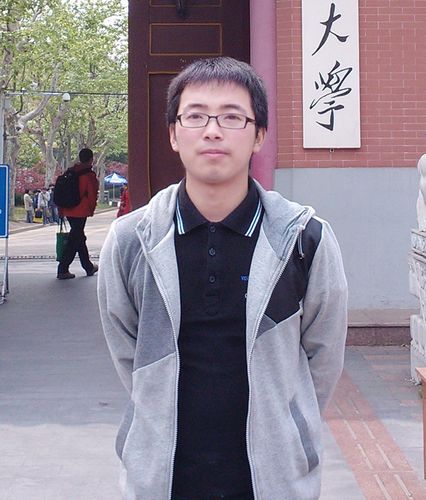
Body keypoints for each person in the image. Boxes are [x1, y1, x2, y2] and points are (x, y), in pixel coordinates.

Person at [97, 57, 348, 500]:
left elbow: (323, 357)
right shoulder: (131, 241)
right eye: (195, 116)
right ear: (174, 134)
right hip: (162, 479)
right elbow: (127, 352)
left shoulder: (304, 239)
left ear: (259, 135)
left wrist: (290, 426)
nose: (212, 131)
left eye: (232, 117)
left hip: (273, 481)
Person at [56, 148, 99, 280]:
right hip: (81, 210)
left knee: (79, 237)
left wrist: (61, 210)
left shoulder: (70, 172)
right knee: (74, 240)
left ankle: (88, 267)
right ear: (91, 159)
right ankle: (63, 268)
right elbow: (92, 195)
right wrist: (91, 209)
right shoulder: (88, 175)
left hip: (68, 209)